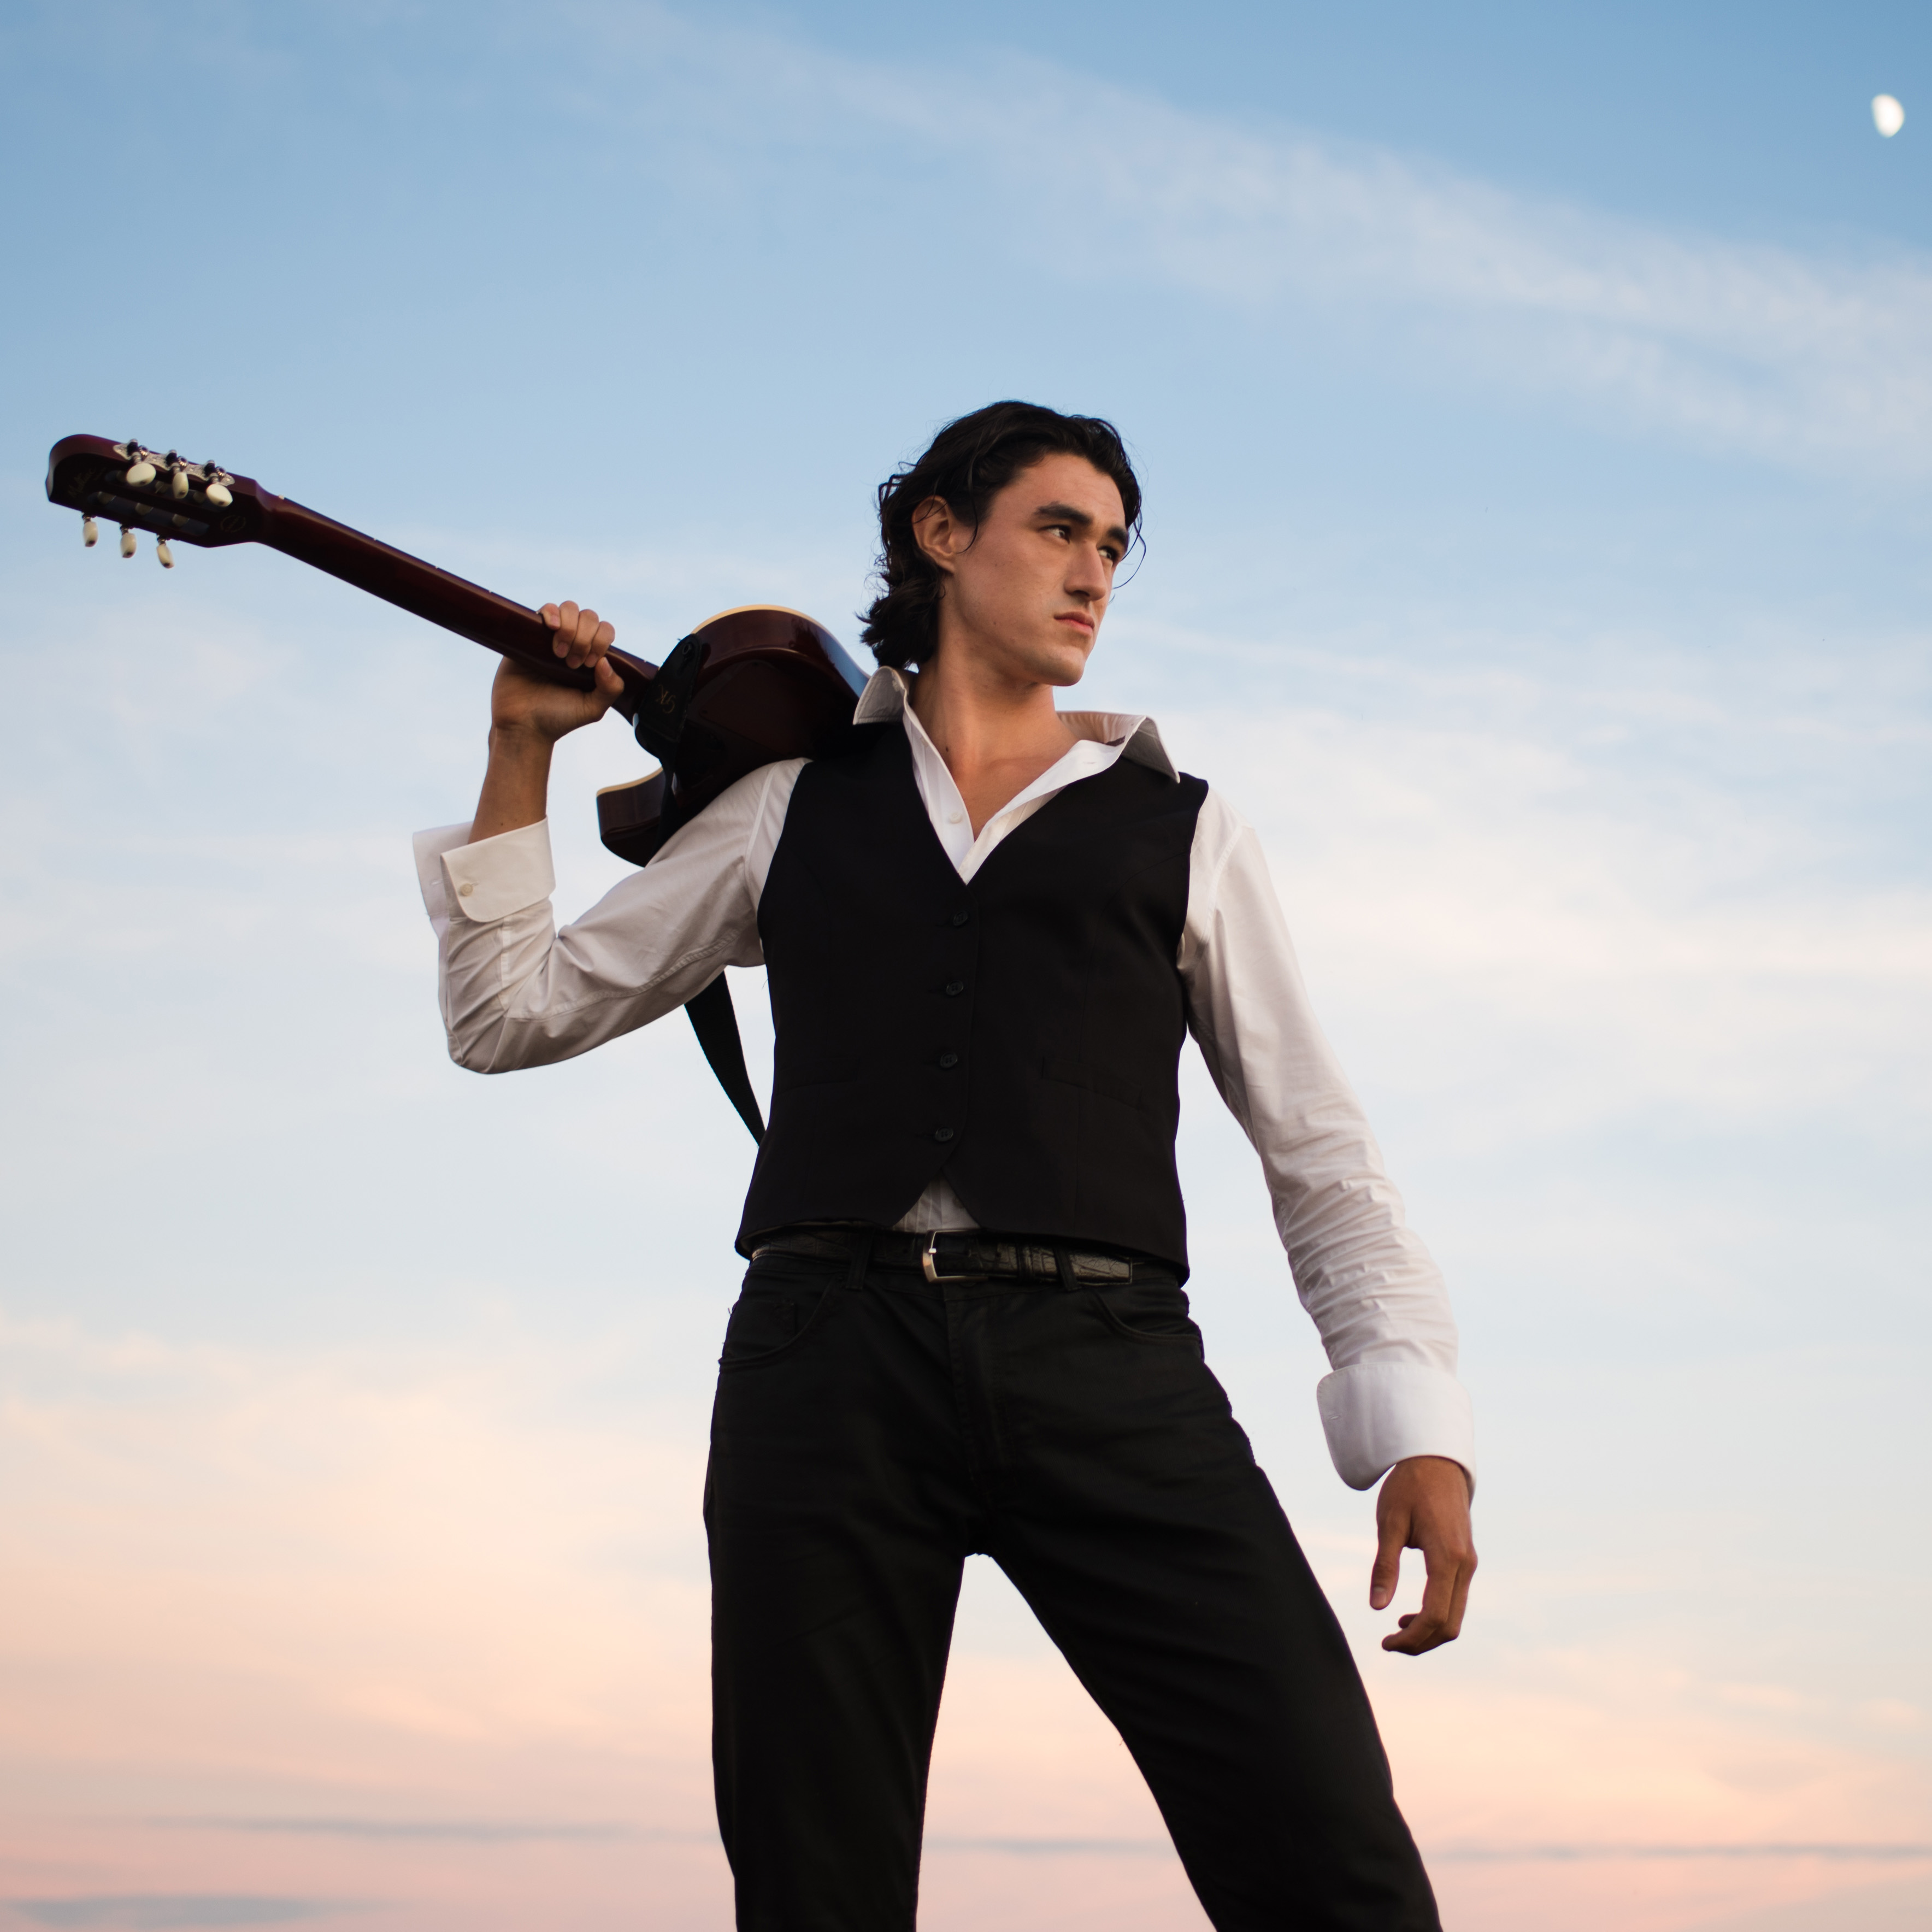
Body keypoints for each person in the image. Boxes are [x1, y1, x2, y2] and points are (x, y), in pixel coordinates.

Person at [414, 401, 1476, 1931]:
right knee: (817, 1890)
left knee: (1329, 1855)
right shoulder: (785, 808)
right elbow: (506, 1016)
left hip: (1108, 1360)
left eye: (1115, 546)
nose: (1095, 573)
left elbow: (1321, 1153)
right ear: (939, 534)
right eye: (1060, 528)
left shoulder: (1187, 830)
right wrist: (520, 747)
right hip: (825, 1365)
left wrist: (1418, 1430)